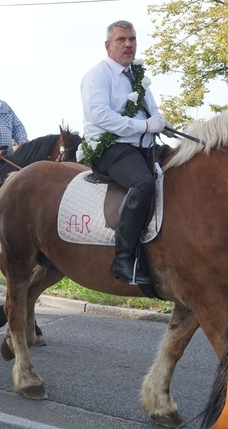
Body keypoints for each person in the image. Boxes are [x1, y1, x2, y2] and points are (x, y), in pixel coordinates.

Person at [80, 20, 167, 286]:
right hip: (109, 147)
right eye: (121, 40)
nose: (128, 44)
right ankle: (124, 260)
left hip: (142, 144)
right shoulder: (98, 75)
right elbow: (100, 116)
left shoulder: (136, 76)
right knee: (143, 184)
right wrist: (143, 126)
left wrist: (162, 122)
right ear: (108, 46)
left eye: (132, 39)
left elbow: (151, 110)